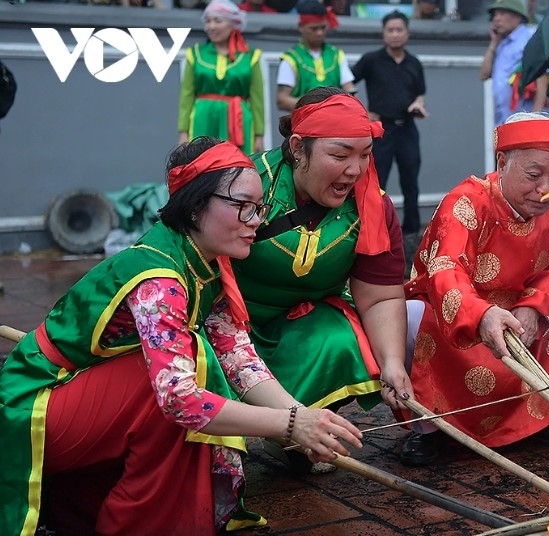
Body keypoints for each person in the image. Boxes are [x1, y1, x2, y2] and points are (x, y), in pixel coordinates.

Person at [0, 138, 364, 535]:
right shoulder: (161, 278)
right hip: (35, 407)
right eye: (242, 206)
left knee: (192, 365)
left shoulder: (209, 262)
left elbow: (237, 354)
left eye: (258, 208)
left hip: (82, 399)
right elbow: (179, 399)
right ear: (194, 204)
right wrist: (289, 425)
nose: (255, 220)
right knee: (183, 374)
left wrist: (303, 417)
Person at [400, 113, 549, 466]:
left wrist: (535, 305)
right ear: (503, 162)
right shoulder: (467, 201)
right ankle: (428, 428)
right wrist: (484, 314)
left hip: (521, 319)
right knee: (404, 316)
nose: (544, 190)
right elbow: (445, 270)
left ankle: (548, 410)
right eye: (534, 175)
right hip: (457, 322)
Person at [233, 88, 413, 449]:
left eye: (365, 155)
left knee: (341, 338)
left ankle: (299, 427)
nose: (355, 170)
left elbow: (378, 298)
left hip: (300, 330)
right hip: (227, 322)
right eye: (340, 154)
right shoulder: (247, 185)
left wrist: (393, 363)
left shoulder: (372, 205)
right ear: (298, 148)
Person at [352, 10, 428, 237]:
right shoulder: (371, 60)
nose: (395, 34)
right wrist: (361, 112)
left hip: (407, 128)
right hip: (380, 130)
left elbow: (420, 94)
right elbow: (346, 84)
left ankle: (411, 233)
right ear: (383, 34)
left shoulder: (414, 63)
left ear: (407, 33)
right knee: (376, 181)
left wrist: (418, 105)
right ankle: (374, 230)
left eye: (399, 30)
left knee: (411, 182)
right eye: (390, 30)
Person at [178, 0, 265, 154]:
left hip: (238, 119)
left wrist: (259, 135)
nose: (211, 26)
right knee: (201, 161)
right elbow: (187, 96)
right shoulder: (196, 54)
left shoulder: (250, 56)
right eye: (208, 21)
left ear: (233, 24)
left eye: (218, 21)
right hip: (203, 118)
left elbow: (257, 99)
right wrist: (183, 132)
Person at [277, 0, 356, 112]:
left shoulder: (336, 55)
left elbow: (350, 89)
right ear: (301, 27)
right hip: (304, 121)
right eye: (314, 29)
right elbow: (282, 99)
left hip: (335, 120)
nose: (319, 33)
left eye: (323, 28)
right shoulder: (291, 58)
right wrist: (317, 107)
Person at [480, 0, 547, 125]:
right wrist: (493, 44)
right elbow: (483, 75)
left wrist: (536, 117)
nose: (496, 19)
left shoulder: (530, 37)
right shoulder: (501, 43)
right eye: (494, 15)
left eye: (502, 13)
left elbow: (542, 75)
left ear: (517, 16)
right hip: (504, 120)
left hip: (526, 119)